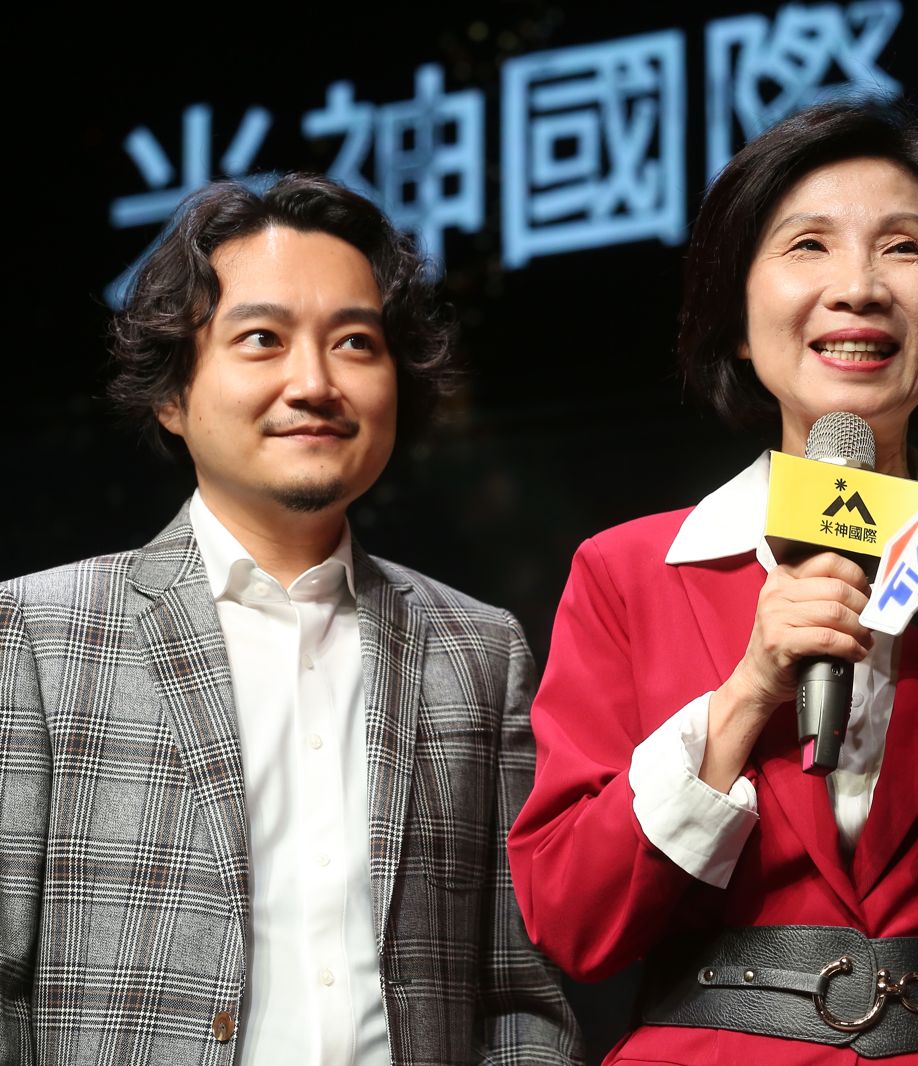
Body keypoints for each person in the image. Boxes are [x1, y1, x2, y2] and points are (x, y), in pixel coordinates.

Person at [0, 176, 581, 1066]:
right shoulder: (38, 634)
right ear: (171, 394)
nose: (314, 383)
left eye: (355, 343)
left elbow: (517, 1000)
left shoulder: (479, 648)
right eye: (262, 339)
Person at [508, 102, 918, 1064]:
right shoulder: (627, 575)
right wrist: (747, 692)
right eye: (808, 246)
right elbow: (573, 922)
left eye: (904, 248)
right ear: (739, 322)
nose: (859, 288)